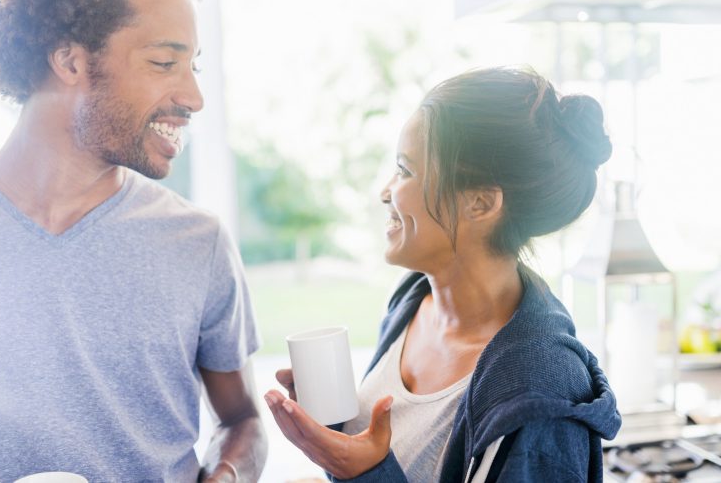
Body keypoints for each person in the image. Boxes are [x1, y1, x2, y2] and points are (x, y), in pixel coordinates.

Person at [0, 0, 266, 481]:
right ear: (70, 61)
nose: (194, 97)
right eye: (164, 63)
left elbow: (242, 420)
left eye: (193, 66)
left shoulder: (198, 242)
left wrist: (226, 476)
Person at [264, 67, 621, 482]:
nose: (385, 191)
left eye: (405, 170)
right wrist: (334, 436)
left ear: (481, 203)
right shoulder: (414, 298)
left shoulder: (539, 391)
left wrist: (365, 473)